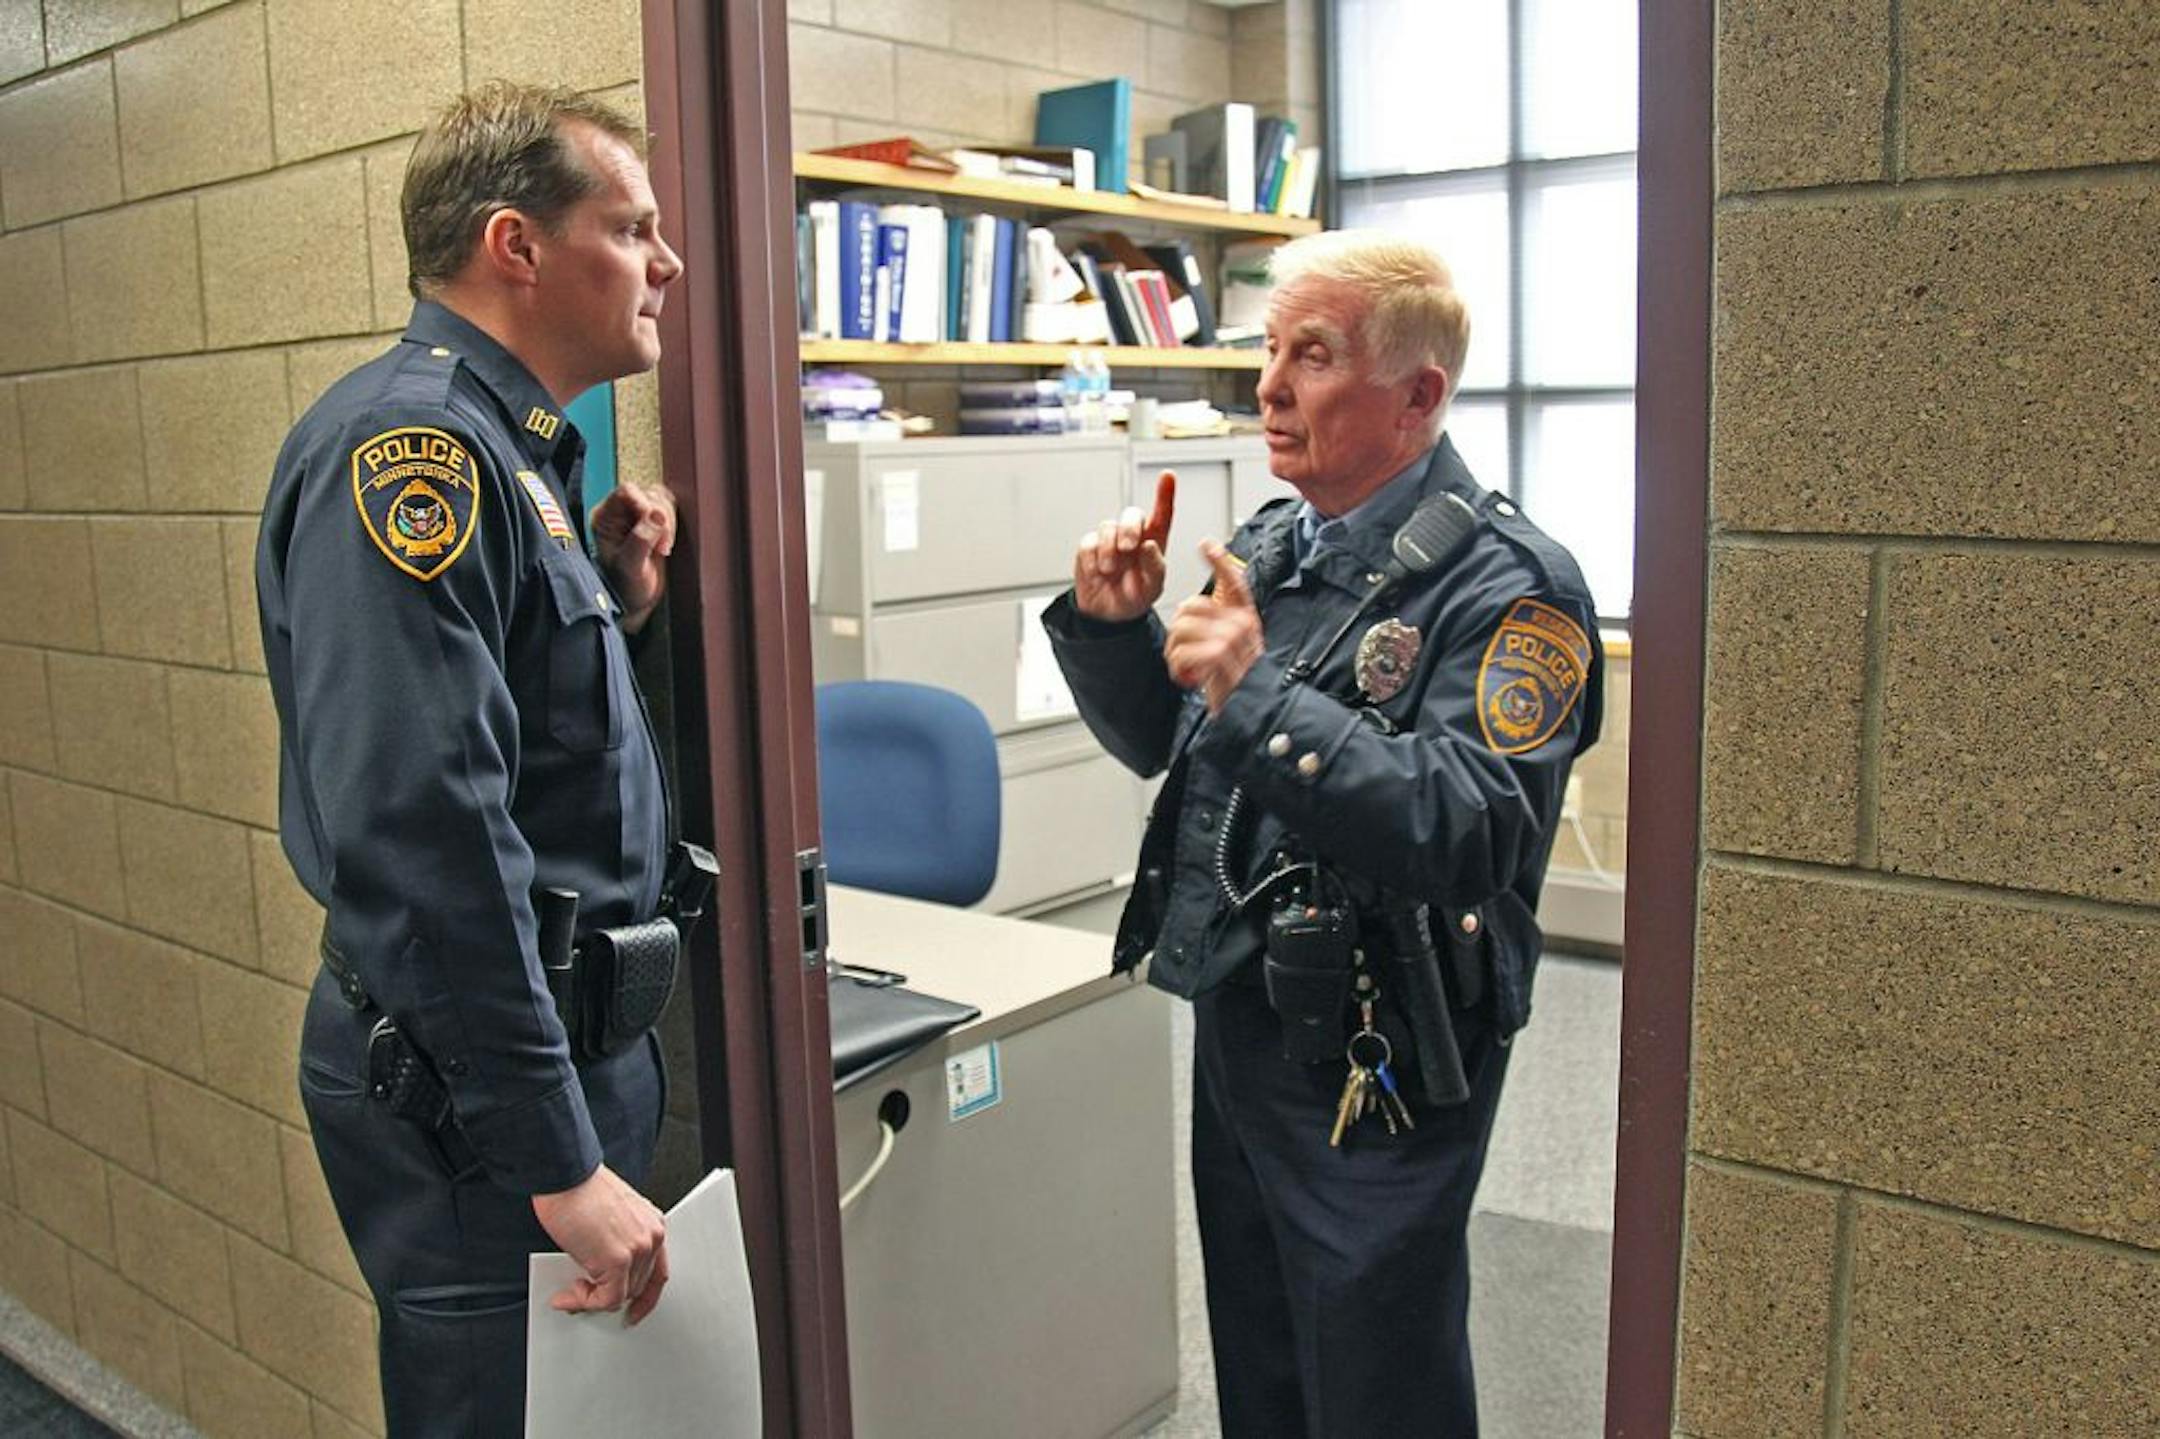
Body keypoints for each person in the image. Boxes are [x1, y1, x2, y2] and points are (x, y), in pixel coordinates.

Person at [1043, 229, 1603, 1436]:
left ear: (1418, 396)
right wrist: (1112, 630)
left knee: (1373, 1366)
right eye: (1268, 351)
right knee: (1263, 1355)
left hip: (1386, 1039)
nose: (1269, 386)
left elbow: (1473, 826)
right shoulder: (1270, 548)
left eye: (1312, 355)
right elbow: (1174, 752)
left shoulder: (1515, 589)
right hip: (1247, 1012)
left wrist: (1259, 695)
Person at [257, 82, 687, 1435]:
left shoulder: (512, 453)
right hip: (474, 1090)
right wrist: (554, 1153)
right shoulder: (416, 454)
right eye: (635, 228)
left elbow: (498, 711)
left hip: (544, 1047)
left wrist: (611, 593)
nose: (666, 263)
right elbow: (425, 830)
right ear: (517, 245)